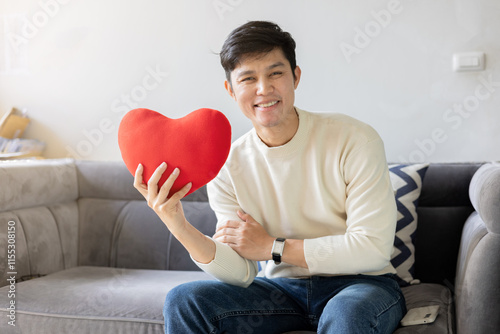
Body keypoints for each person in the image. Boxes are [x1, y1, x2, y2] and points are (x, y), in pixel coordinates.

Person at [133, 20, 406, 334]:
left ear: (296, 77)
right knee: (185, 299)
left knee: (347, 311)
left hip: (362, 285)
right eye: (248, 78)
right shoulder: (227, 166)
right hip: (281, 292)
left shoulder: (355, 139)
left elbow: (372, 250)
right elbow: (241, 272)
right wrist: (177, 224)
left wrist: (273, 248)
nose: (264, 89)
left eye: (275, 73)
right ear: (231, 90)